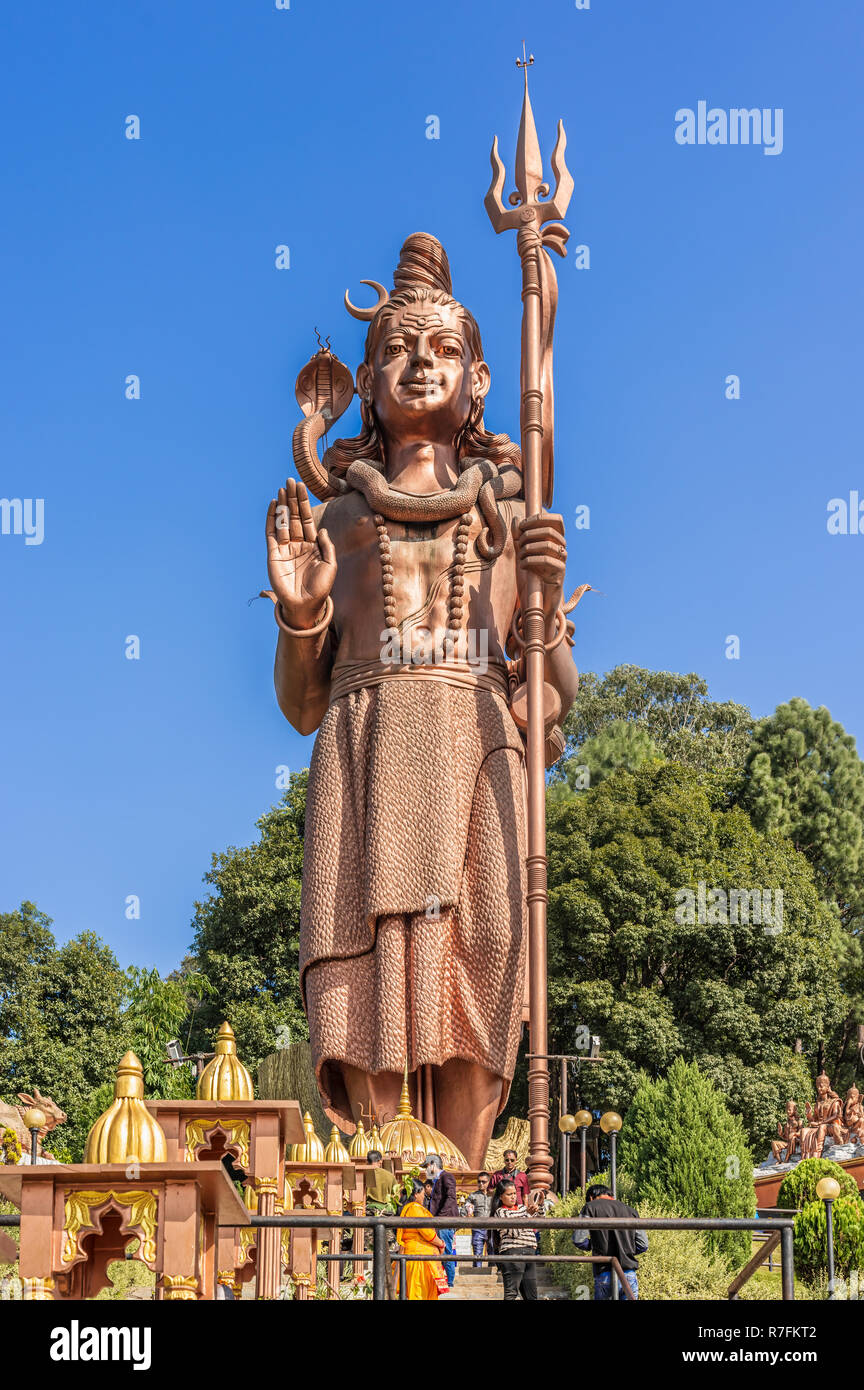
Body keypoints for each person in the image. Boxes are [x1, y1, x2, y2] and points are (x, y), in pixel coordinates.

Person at [266, 233, 578, 1170]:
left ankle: (465, 1196)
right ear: (364, 381)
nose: (419, 364)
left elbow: (547, 699)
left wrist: (544, 610)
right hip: (365, 744)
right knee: (365, 979)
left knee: (480, 960)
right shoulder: (338, 516)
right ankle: (383, 1197)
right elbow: (302, 704)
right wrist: (300, 612)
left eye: (442, 350)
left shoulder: (509, 517)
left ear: (479, 381)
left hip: (473, 746)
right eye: (398, 350)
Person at [572, 1184, 646, 1300]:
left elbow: (578, 1240)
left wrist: (593, 1245)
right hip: (628, 1274)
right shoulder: (631, 1210)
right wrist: (627, 1250)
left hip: (604, 1272)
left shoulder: (590, 1207)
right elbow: (643, 1245)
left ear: (591, 1197)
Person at [393, 1180, 448, 1300]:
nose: (424, 1196)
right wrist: (441, 1244)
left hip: (418, 1257)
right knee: (419, 1294)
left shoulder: (409, 1208)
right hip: (418, 1259)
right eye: (423, 1193)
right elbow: (427, 1232)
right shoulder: (414, 1208)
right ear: (416, 1194)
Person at [490, 1177, 540, 1300]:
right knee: (511, 1294)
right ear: (500, 1197)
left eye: (514, 1193)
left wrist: (539, 1205)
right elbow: (514, 1232)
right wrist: (528, 1215)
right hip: (513, 1252)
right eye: (509, 1194)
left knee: (532, 1296)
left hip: (530, 1252)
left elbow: (539, 1222)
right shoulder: (501, 1212)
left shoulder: (523, 1208)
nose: (513, 1197)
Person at [425, 1153, 458, 1287]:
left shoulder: (446, 1176)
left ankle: (449, 1282)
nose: (426, 1170)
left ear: (432, 1165)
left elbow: (451, 1197)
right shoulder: (437, 1180)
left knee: (446, 1251)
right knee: (441, 1251)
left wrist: (441, 1217)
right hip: (439, 1221)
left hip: (445, 1221)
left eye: (426, 1167)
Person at [465, 1171, 494, 1267]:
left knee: (493, 1251)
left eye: (483, 1182)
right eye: (479, 1181)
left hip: (492, 1227)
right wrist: (468, 1212)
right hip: (477, 1227)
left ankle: (493, 1272)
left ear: (489, 1182)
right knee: (477, 1253)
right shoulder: (473, 1196)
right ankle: (477, 1272)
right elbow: (466, 1206)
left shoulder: (493, 1195)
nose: (481, 1184)